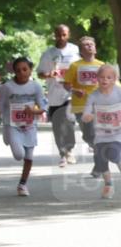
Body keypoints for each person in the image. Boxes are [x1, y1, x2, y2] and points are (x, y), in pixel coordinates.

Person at [0, 57, 47, 196]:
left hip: (30, 126)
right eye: (18, 70)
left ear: (30, 70)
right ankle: (8, 135)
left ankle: (22, 184)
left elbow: (43, 107)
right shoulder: (7, 87)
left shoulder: (36, 87)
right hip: (12, 125)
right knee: (19, 155)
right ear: (14, 72)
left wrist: (34, 111)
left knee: (29, 156)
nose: (22, 73)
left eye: (25, 69)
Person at [37, 24, 80, 167]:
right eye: (58, 34)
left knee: (69, 122)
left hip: (70, 92)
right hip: (54, 94)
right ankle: (62, 154)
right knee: (57, 126)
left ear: (68, 35)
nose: (61, 37)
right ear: (54, 35)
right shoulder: (48, 53)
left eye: (64, 34)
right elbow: (39, 73)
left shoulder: (75, 50)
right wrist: (49, 74)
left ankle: (69, 149)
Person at [63, 36, 104, 175]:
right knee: (88, 135)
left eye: (91, 44)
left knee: (98, 135)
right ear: (81, 50)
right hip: (81, 105)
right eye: (86, 45)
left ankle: (99, 165)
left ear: (95, 48)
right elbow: (66, 84)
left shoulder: (101, 65)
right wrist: (75, 90)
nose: (89, 47)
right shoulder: (75, 66)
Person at [81, 64, 121, 199]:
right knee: (100, 160)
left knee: (114, 154)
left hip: (117, 134)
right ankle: (108, 185)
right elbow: (86, 110)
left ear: (115, 78)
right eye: (102, 77)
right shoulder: (94, 95)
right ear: (97, 79)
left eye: (109, 77)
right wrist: (87, 116)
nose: (105, 80)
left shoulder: (119, 92)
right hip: (100, 135)